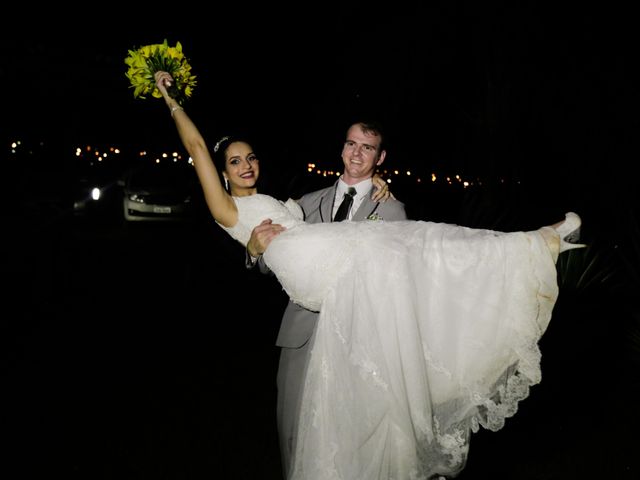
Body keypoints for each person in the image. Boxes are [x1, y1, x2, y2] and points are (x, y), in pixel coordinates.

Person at [153, 70, 584, 480]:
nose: (245, 165)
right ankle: (524, 249)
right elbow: (198, 150)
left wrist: (382, 196)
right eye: (233, 161)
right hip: (307, 320)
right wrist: (172, 101)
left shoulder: (307, 203)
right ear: (222, 171)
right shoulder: (257, 204)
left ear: (379, 158)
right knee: (298, 437)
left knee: (419, 246)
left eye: (250, 158)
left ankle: (525, 249)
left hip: (362, 331)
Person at [243, 119, 407, 477]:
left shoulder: (391, 211)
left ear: (380, 157)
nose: (357, 153)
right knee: (292, 431)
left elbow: (392, 279)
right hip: (300, 335)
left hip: (356, 339)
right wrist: (254, 253)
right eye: (351, 144)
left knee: (347, 434)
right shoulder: (304, 204)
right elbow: (271, 265)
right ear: (342, 148)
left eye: (367, 147)